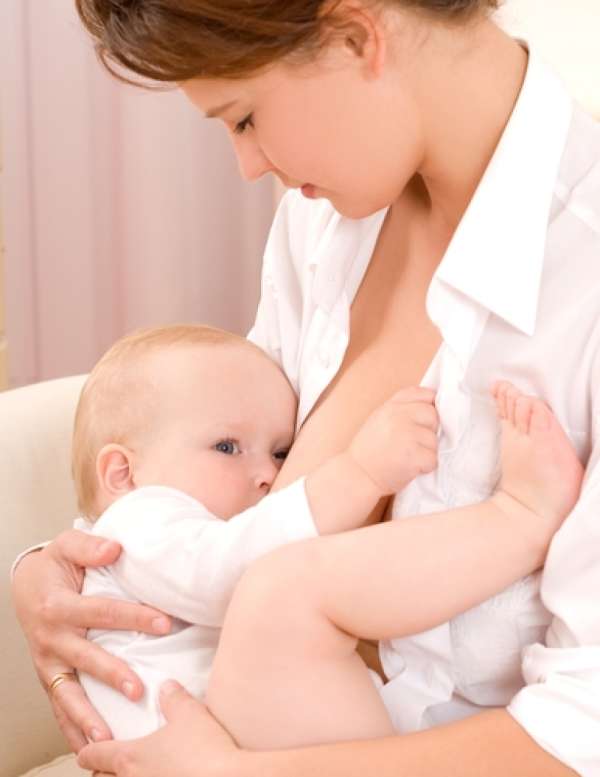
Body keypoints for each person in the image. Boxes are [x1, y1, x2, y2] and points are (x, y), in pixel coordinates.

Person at [11, 0, 600, 775]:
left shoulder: (579, 274)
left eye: (246, 118)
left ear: (357, 36)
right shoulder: (321, 226)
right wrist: (54, 570)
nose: (248, 166)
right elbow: (221, 490)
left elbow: (580, 728)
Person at [71, 323, 580, 743]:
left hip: (240, 741)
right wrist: (359, 474)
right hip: (201, 747)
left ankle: (520, 519)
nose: (268, 475)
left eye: (279, 452)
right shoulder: (134, 524)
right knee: (282, 592)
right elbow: (226, 578)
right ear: (123, 473)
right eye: (227, 447)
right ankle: (520, 518)